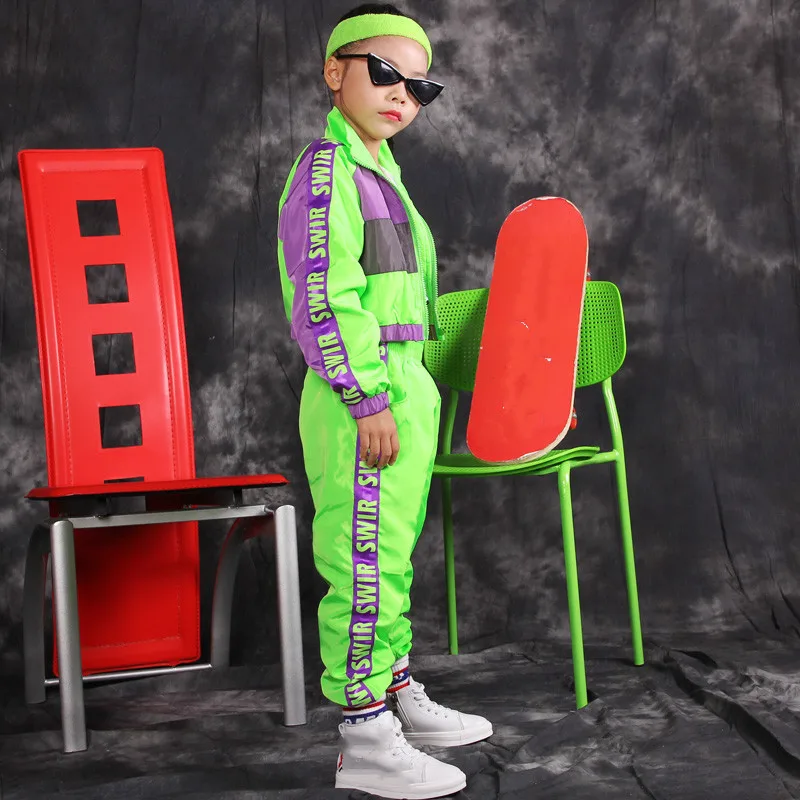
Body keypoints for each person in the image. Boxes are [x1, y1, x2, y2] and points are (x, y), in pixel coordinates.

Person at [276, 5, 493, 797]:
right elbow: (324, 297)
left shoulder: (381, 175)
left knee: (389, 556)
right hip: (362, 395)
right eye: (385, 73)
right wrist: (367, 397)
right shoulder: (327, 172)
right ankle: (365, 736)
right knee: (361, 560)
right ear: (335, 72)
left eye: (420, 86)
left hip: (406, 384)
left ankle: (395, 691)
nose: (403, 93)